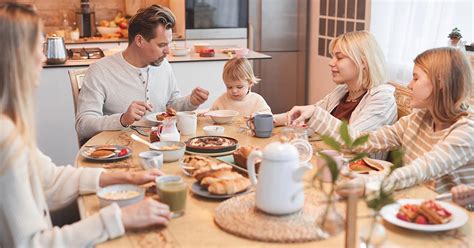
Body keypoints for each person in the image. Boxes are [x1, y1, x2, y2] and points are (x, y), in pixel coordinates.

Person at [0, 3, 172, 247]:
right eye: (37, 47)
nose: (43, 56)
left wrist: (123, 177)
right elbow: (31, 243)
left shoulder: (9, 124)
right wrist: (120, 218)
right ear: (14, 56)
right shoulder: (4, 137)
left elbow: (49, 180)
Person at [289, 47, 473, 194]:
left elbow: (420, 170)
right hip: (413, 202)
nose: (409, 85)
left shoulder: (466, 132)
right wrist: (315, 113)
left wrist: (367, 185)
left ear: (440, 84)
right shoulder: (418, 119)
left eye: (416, 78)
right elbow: (358, 141)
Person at [76, 4, 209, 142]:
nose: (168, 51)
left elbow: (171, 107)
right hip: (117, 153)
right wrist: (123, 119)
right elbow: (83, 125)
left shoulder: (163, 65)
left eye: (168, 44)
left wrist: (191, 102)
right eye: (161, 45)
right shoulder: (100, 71)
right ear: (139, 40)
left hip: (162, 147)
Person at [274, 31, 397, 160]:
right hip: (326, 162)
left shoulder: (382, 98)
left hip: (356, 173)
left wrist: (315, 113)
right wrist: (271, 120)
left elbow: (353, 141)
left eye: (339, 57)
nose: (331, 63)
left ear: (363, 63)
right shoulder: (343, 91)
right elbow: (307, 115)